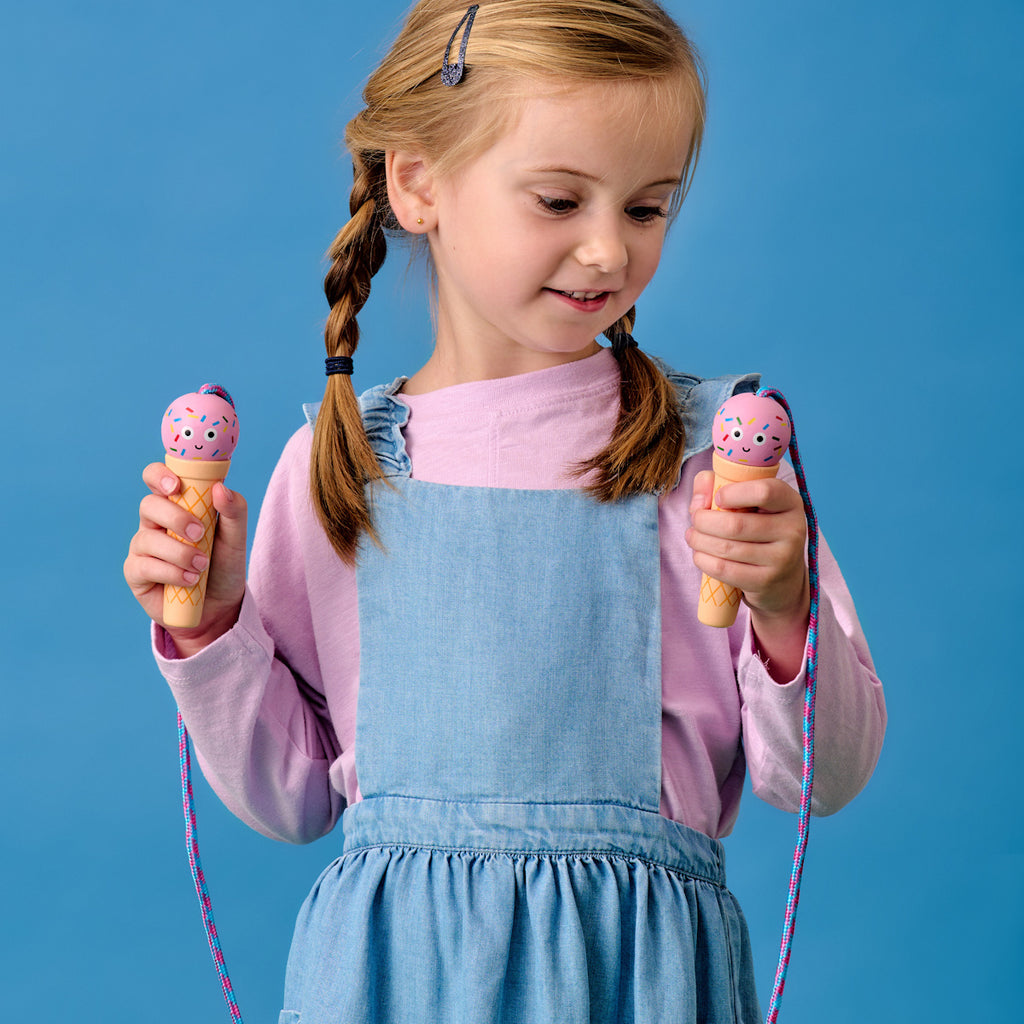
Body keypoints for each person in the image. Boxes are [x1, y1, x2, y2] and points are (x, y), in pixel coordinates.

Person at [124, 1, 886, 1021]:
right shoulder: (341, 466)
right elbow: (291, 797)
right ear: (417, 182)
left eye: (647, 207)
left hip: (640, 983)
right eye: (560, 199)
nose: (610, 251)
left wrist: (786, 607)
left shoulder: (713, 464)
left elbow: (824, 780)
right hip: (391, 982)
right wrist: (213, 625)